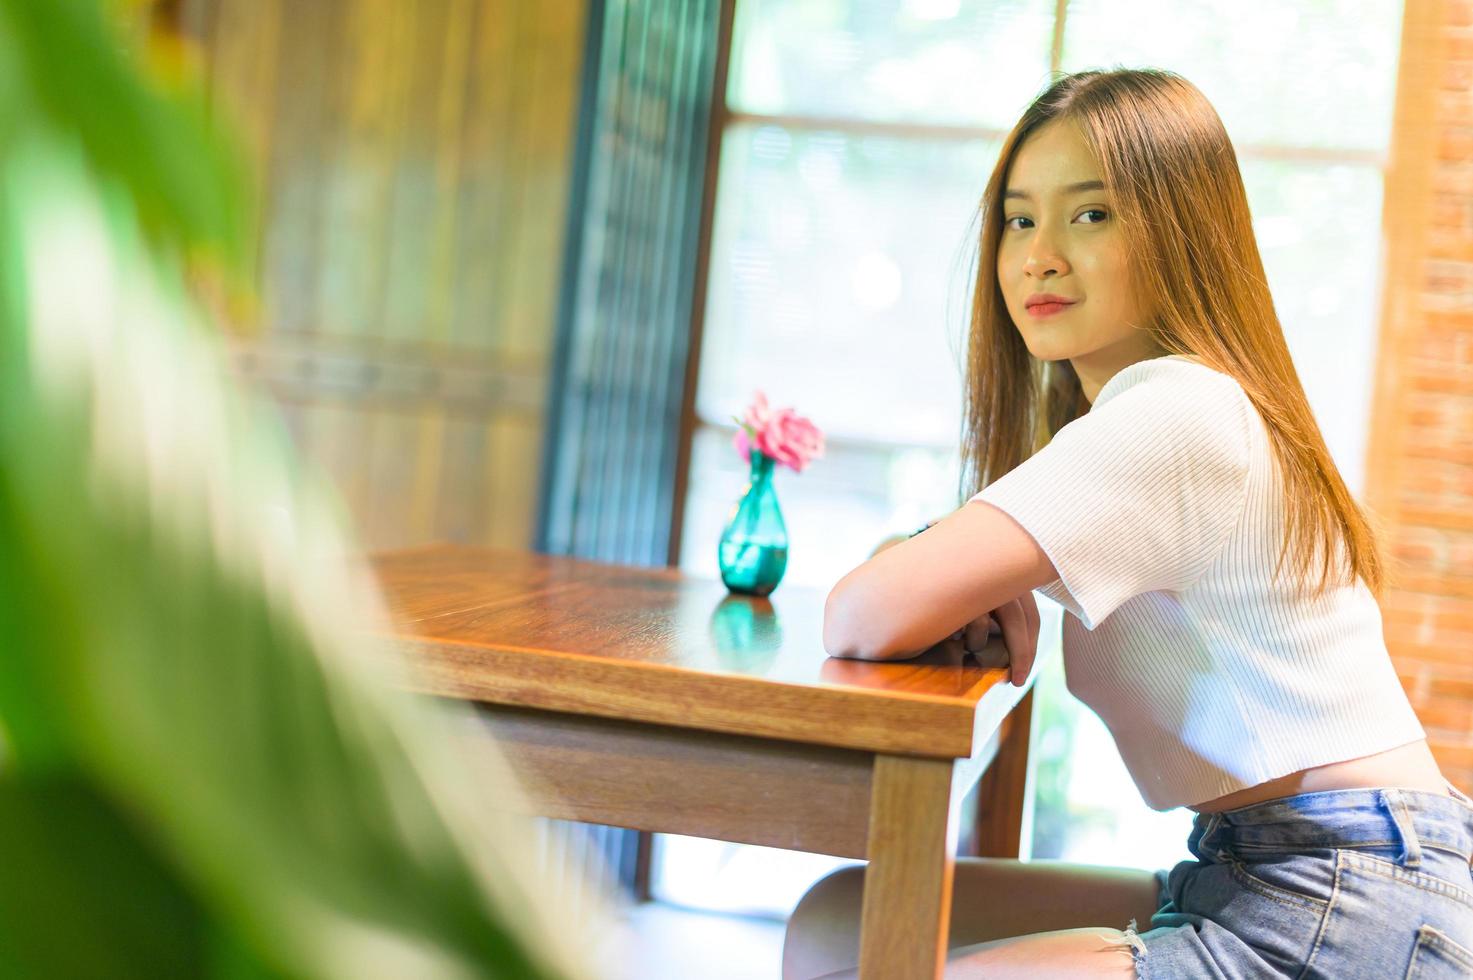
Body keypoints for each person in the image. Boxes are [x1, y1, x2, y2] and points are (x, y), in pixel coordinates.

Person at [785, 68, 1473, 979]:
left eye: (1090, 214)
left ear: (1180, 232)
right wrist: (957, 573)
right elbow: (900, 580)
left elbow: (859, 616)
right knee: (842, 919)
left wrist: (950, 582)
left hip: (1344, 895)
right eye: (1020, 219)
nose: (1040, 255)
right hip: (1260, 865)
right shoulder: (1138, 420)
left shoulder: (1176, 415)